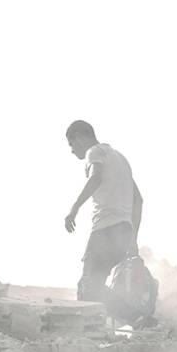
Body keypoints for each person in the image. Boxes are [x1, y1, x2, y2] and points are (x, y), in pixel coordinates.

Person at [64, 120, 143, 312]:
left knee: (88, 287)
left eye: (71, 144)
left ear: (80, 137)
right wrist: (133, 237)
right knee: (96, 287)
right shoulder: (121, 159)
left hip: (105, 230)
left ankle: (136, 316)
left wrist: (74, 208)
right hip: (123, 231)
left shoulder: (95, 152)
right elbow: (138, 200)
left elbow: (96, 177)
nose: (72, 151)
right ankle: (134, 318)